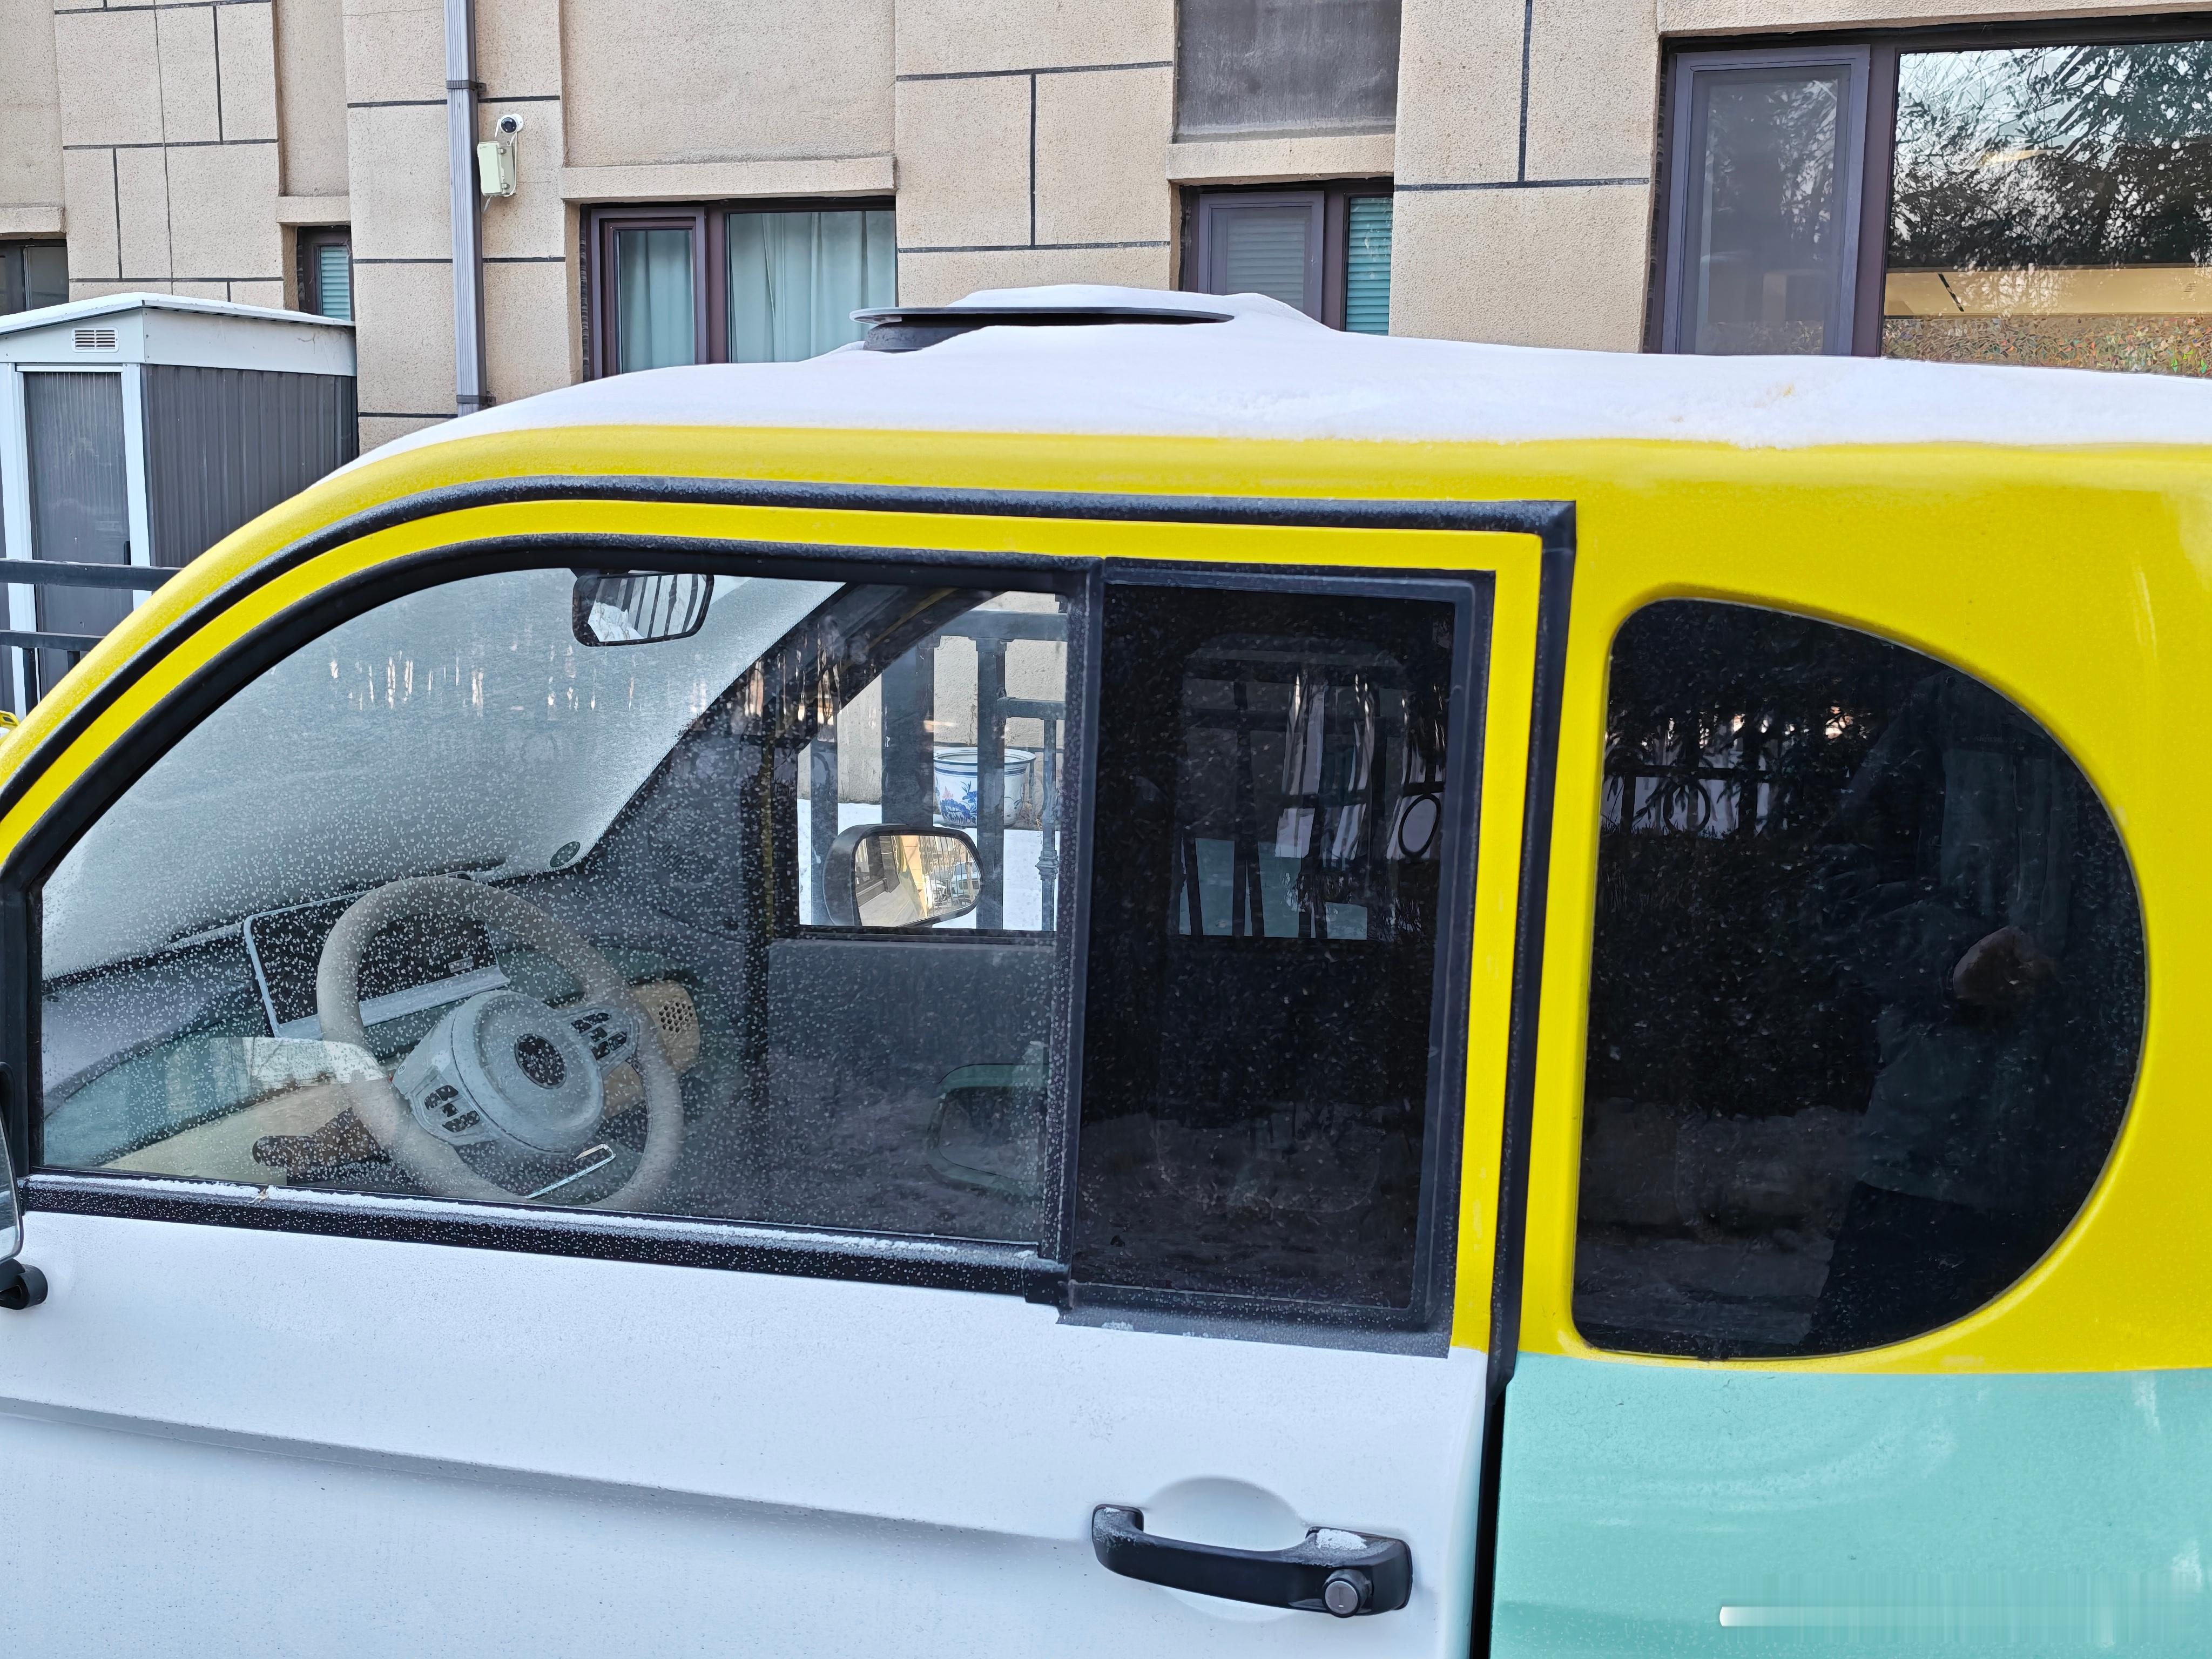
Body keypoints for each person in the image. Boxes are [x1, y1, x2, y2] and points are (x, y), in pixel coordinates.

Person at [1803, 668, 2133, 1352]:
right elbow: (1842, 882)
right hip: (1937, 1147)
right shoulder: (1958, 703)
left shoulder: (2164, 698)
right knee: (1862, 1383)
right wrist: (1952, 957)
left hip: (2118, 1163)